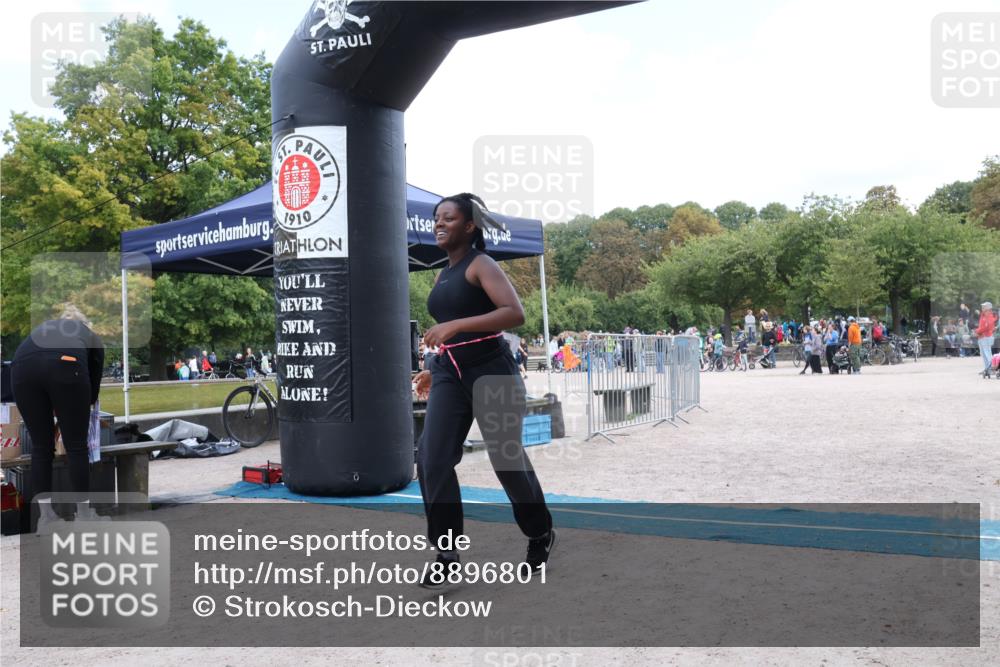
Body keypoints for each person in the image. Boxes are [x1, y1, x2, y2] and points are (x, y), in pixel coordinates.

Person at [411, 193, 553, 587]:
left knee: (507, 461)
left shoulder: (481, 264)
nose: (439, 224)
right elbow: (447, 331)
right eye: (436, 218)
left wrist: (455, 327)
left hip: (492, 371)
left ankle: (540, 534)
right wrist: (432, 366)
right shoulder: (443, 273)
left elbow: (514, 313)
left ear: (469, 226)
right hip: (449, 374)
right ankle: (447, 554)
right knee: (432, 459)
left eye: (448, 218)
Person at [11, 304, 105, 527]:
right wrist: (70, 415)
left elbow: (41, 365)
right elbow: (91, 391)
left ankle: (46, 518)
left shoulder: (45, 329)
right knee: (76, 446)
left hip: (21, 368)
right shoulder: (90, 337)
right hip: (66, 366)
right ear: (84, 324)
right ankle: (83, 516)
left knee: (41, 447)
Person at [975, 301, 997, 377]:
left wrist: (977, 331)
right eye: (982, 306)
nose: (982, 307)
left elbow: (987, 327)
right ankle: (987, 369)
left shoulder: (989, 315)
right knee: (984, 354)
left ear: (988, 308)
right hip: (982, 336)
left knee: (987, 354)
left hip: (986, 337)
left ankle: (992, 369)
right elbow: (982, 326)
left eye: (984, 306)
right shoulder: (983, 315)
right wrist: (978, 332)